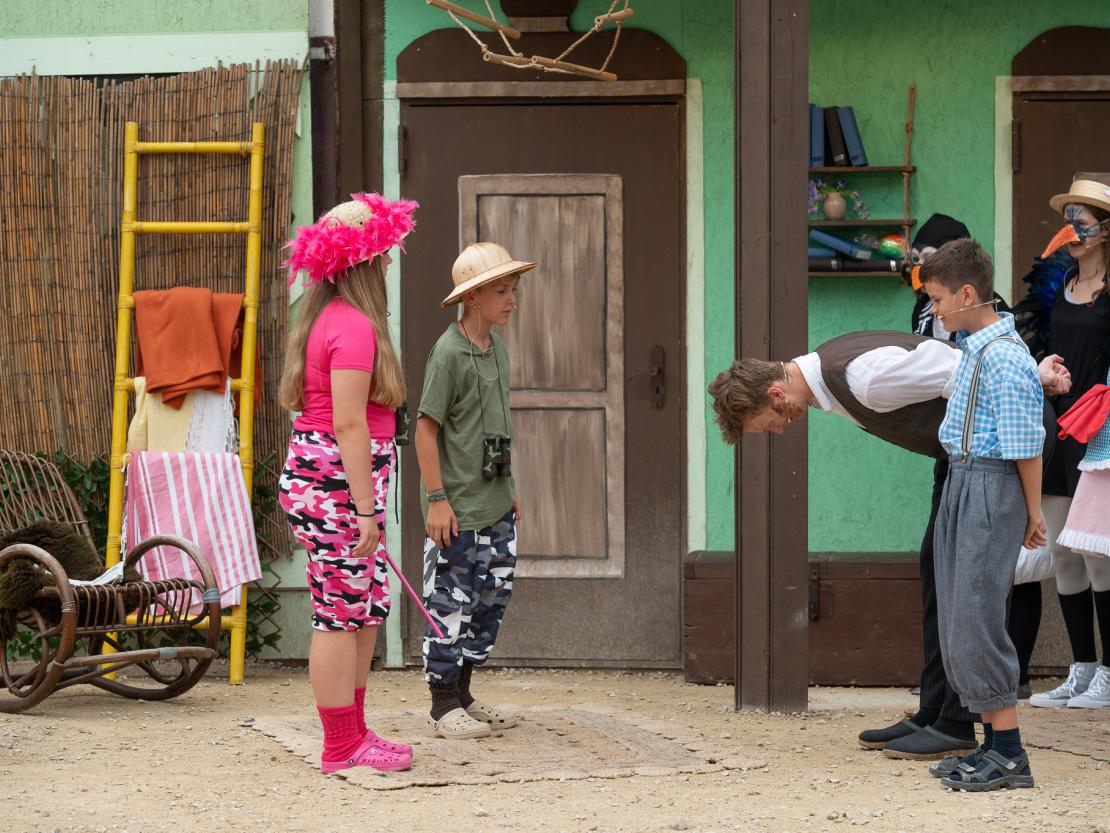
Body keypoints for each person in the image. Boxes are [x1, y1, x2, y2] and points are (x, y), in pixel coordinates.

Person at [707, 310, 1068, 767]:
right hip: (961, 454)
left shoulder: (861, 376)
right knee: (935, 567)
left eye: (769, 423)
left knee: (967, 585)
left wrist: (1031, 373)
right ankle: (936, 712)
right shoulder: (830, 373)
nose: (779, 430)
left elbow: (964, 366)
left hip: (996, 453)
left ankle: (960, 724)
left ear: (776, 393)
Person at [276, 193, 418, 774]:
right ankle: (341, 744)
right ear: (363, 264)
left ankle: (354, 731)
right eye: (382, 256)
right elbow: (349, 422)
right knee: (339, 612)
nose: (388, 264)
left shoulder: (328, 317)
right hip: (336, 483)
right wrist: (365, 508)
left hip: (333, 479)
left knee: (362, 607)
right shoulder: (354, 327)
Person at [918, 238, 1044, 791]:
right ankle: (991, 745)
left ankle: (1011, 754)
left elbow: (1026, 445)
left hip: (992, 487)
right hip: (964, 480)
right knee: (958, 614)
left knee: (978, 614)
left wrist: (1033, 514)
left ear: (968, 294)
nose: (935, 310)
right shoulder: (974, 348)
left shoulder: (1006, 358)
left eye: (940, 299)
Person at [415, 242, 533, 739]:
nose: (511, 300)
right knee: (450, 604)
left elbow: (497, 427)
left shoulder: (497, 351)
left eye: (513, 290)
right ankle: (442, 705)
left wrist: (510, 487)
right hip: (458, 511)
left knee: (488, 603)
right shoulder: (449, 354)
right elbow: (425, 429)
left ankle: (463, 693)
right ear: (473, 298)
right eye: (501, 292)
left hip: (496, 508)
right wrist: (437, 500)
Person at [1021, 178, 1110, 710]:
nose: (1073, 228)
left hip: (1102, 431)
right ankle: (1082, 668)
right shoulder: (1059, 285)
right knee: (1062, 550)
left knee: (1098, 555)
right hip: (1058, 429)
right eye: (1069, 217)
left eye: (1084, 218)